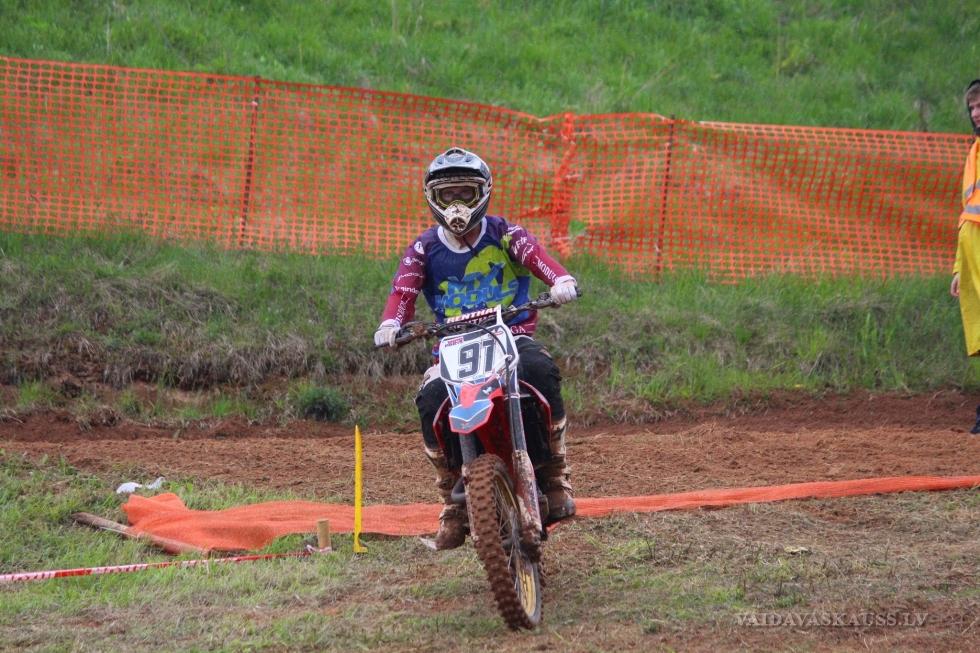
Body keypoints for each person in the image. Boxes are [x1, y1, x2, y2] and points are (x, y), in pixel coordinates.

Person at [374, 146, 580, 549]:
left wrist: (560, 280)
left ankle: (555, 473)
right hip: (453, 347)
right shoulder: (424, 248)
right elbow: (403, 291)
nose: (456, 205)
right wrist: (391, 324)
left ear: (482, 193)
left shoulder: (505, 234)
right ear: (432, 198)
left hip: (511, 335)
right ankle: (450, 497)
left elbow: (537, 258)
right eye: (447, 195)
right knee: (431, 397)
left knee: (539, 369)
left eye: (464, 194)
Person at [951, 78, 980, 434]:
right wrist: (959, 267)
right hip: (971, 251)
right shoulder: (973, 152)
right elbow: (967, 211)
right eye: (972, 107)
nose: (975, 112)